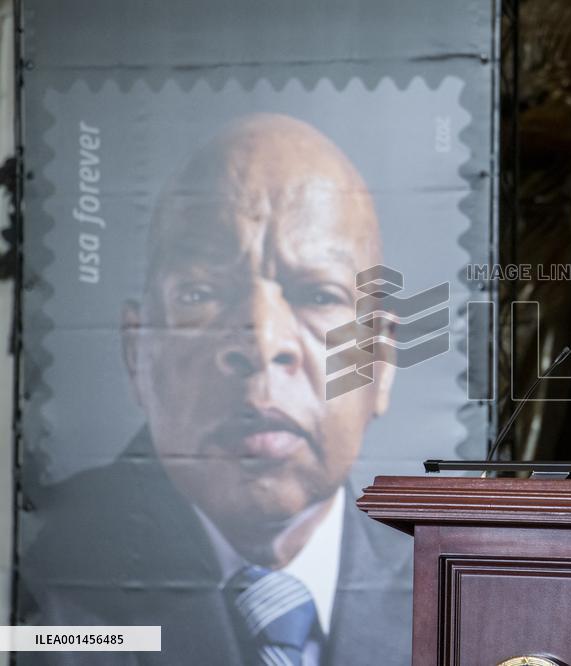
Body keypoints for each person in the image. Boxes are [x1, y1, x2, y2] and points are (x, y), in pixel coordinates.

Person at [18, 114, 410, 664]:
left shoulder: (458, 606)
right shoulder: (27, 592)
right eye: (201, 292)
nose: (262, 342)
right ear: (138, 354)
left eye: (318, 295)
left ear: (382, 362)